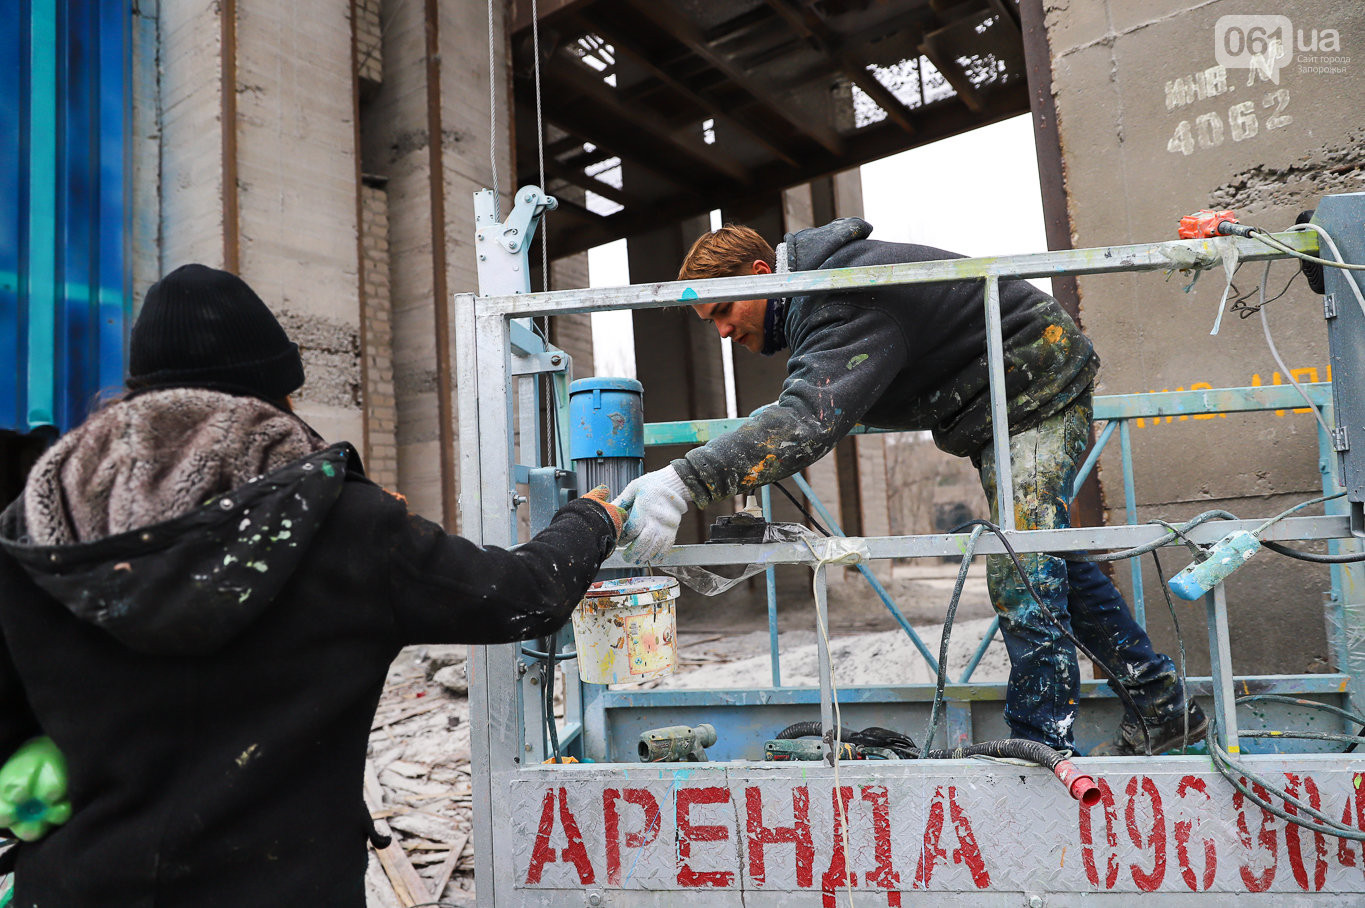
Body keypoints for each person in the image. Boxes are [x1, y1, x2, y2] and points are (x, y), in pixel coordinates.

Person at [0, 264, 624, 906]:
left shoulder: (37, 530)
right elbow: (523, 595)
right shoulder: (343, 524)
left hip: (75, 887)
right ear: (278, 394)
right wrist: (592, 520)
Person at [614, 219, 1204, 757]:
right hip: (1001, 401)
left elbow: (807, 416)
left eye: (723, 309)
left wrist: (683, 481)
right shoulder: (822, 298)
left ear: (762, 273)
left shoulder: (841, 294)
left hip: (1033, 381)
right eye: (710, 322)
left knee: (1021, 564)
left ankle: (1040, 748)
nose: (722, 331)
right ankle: (1163, 709)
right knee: (1048, 559)